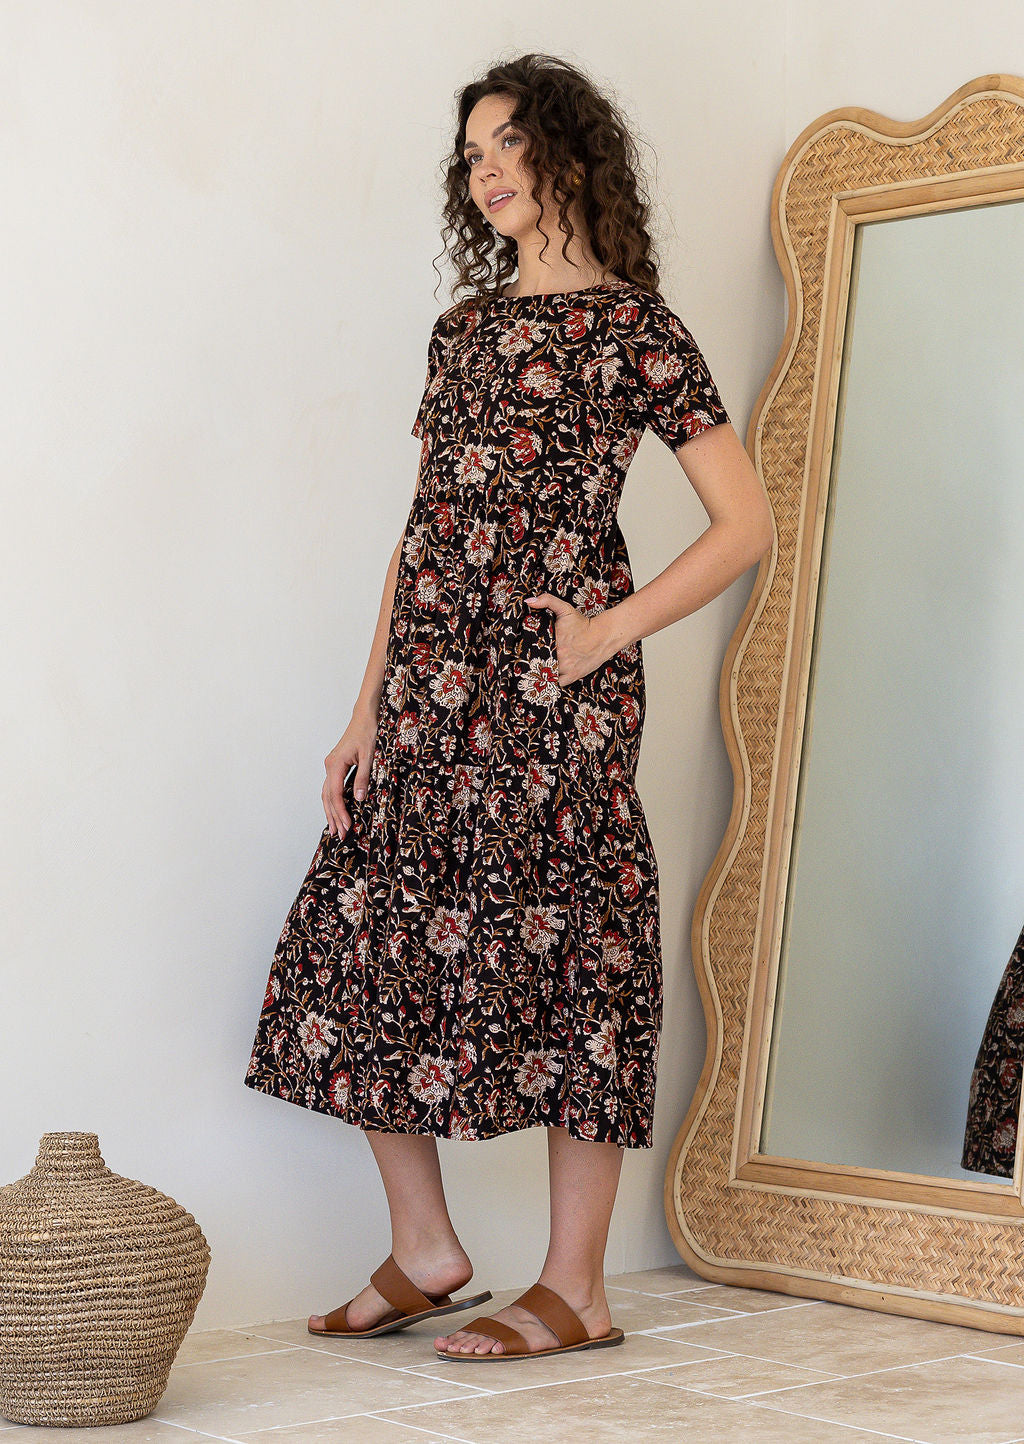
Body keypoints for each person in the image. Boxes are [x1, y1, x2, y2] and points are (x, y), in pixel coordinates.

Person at [243, 52, 774, 1362]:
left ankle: (578, 1288)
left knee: (578, 950)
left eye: (504, 145)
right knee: (359, 940)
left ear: (566, 155)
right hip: (428, 685)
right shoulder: (463, 333)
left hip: (556, 691)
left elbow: (745, 521)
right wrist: (365, 710)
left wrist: (610, 629)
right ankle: (427, 1248)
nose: (482, 171)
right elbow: (417, 534)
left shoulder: (637, 329)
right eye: (469, 153)